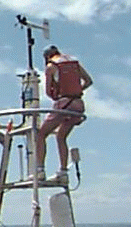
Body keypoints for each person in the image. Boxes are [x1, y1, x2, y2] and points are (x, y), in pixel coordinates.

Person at [33, 45, 93, 184]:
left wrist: (58, 96)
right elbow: (88, 81)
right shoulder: (74, 63)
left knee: (42, 134)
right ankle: (63, 171)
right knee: (61, 137)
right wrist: (79, 90)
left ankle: (40, 170)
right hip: (78, 104)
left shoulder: (51, 66)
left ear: (47, 56)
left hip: (64, 103)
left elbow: (48, 91)